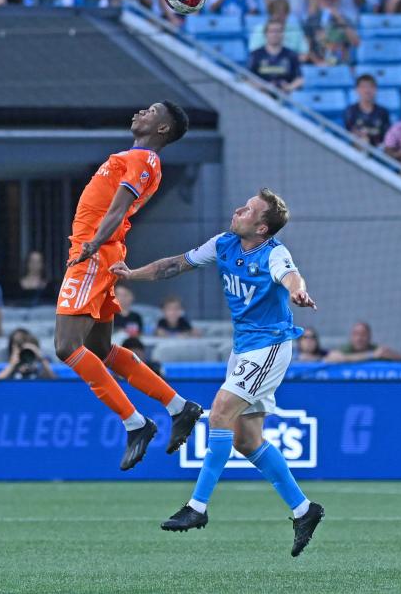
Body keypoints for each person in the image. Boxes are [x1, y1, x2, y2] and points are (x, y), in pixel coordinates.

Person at [110, 188, 324, 556]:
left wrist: (298, 293)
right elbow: (174, 264)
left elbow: (292, 278)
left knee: (220, 412)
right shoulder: (224, 243)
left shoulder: (274, 252)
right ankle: (305, 510)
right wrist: (131, 274)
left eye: (249, 210)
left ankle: (197, 507)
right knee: (246, 439)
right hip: (244, 349)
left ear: (261, 227)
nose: (239, 209)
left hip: (270, 346)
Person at [53, 101, 202, 472]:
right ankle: (179, 406)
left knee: (65, 346)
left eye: (151, 111)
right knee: (99, 348)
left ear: (163, 129)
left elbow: (116, 210)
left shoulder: (145, 160)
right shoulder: (136, 157)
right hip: (100, 251)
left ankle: (136, 423)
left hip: (94, 253)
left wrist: (91, 245)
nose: (141, 113)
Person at [248, 21, 304, 93]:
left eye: (278, 31)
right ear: (266, 34)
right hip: (261, 97)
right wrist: (264, 87)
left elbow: (300, 79)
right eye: (271, 31)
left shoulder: (291, 55)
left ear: (283, 34)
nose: (275, 34)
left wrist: (289, 87)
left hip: (285, 98)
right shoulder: (256, 54)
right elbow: (248, 78)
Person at [343, 74, 391, 146]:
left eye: (370, 87)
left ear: (375, 90)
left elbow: (386, 135)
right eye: (363, 87)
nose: (367, 91)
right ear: (357, 90)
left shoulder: (383, 112)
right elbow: (350, 133)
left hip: (379, 149)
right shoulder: (350, 111)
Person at [324, 321, 401, 362]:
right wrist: (371, 355)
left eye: (363, 334)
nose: (359, 338)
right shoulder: (347, 349)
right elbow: (329, 359)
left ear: (369, 337)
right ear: (351, 337)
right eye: (356, 334)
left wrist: (392, 355)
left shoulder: (376, 349)